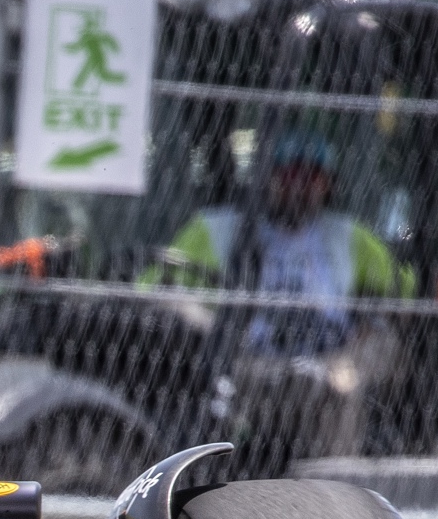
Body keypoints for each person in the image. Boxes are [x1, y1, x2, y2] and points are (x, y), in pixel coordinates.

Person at [157, 129, 412, 355]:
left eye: (312, 177)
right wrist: (214, 330)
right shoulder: (215, 229)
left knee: (384, 344)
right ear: (266, 178)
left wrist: (366, 333)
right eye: (289, 175)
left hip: (329, 367)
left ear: (328, 185)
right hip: (242, 361)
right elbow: (158, 291)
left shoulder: (349, 236)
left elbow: (402, 295)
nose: (299, 187)